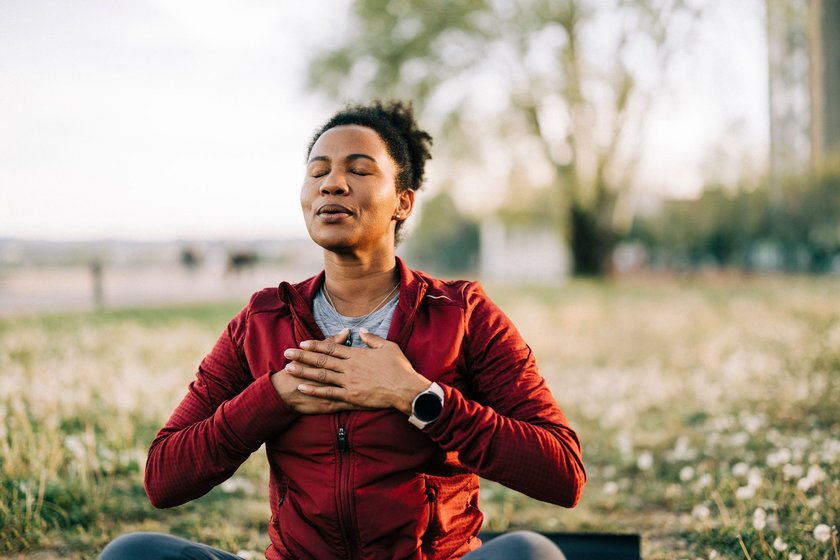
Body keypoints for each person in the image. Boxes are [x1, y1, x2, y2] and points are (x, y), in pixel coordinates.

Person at [100, 101, 586, 560]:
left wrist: (417, 396)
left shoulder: (463, 315)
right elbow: (163, 479)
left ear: (402, 202)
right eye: (318, 171)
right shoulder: (263, 321)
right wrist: (272, 398)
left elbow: (563, 473)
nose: (332, 184)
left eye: (358, 170)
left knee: (530, 553)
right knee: (132, 554)